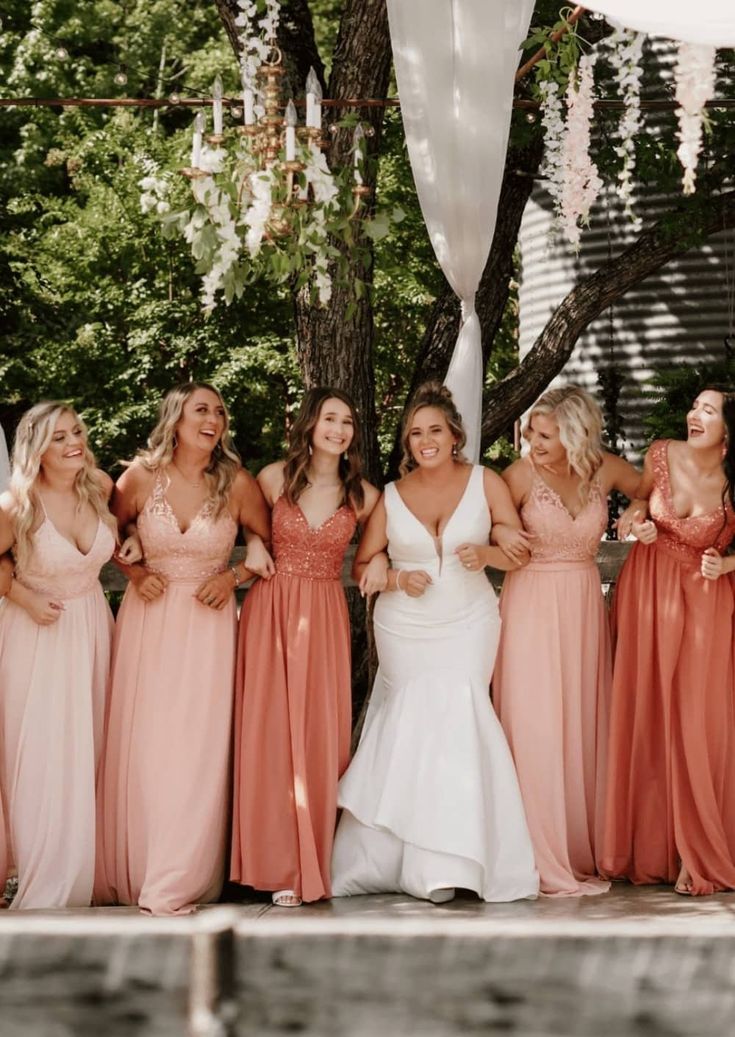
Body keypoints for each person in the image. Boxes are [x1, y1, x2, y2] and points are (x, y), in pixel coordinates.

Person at [331, 382, 539, 904]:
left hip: (469, 619)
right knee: (411, 726)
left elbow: (516, 551)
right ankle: (391, 863)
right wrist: (396, 578)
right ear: (408, 442)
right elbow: (364, 565)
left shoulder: (486, 482)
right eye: (416, 433)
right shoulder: (393, 495)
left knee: (460, 718)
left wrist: (486, 555)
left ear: (454, 436)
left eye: (434, 431)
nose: (425, 440)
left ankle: (454, 863)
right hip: (405, 626)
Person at [94, 382, 270, 915]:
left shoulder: (236, 483)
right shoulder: (141, 477)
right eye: (201, 410)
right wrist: (135, 569)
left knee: (196, 748)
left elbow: (269, 545)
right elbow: (107, 532)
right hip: (148, 621)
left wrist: (234, 574)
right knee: (146, 745)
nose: (213, 418)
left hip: (209, 626)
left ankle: (181, 872)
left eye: (219, 411)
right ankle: (138, 865)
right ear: (175, 418)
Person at [230, 387, 380, 908]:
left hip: (324, 617)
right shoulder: (272, 479)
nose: (339, 430)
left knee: (317, 737)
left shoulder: (365, 496)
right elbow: (242, 525)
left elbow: (375, 555)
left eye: (347, 421)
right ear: (311, 424)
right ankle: (267, 865)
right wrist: (252, 542)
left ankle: (308, 861)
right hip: (271, 614)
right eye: (330, 419)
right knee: (269, 734)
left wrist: (377, 564)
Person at [492, 386, 644, 897]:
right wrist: (501, 534)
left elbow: (651, 487)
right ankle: (533, 848)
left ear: (574, 434)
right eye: (532, 432)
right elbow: (485, 519)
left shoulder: (605, 469)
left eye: (545, 434)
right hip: (531, 605)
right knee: (536, 725)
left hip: (582, 606)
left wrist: (638, 511)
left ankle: (581, 846)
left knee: (580, 723)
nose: (533, 442)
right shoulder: (518, 476)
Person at [599, 388, 735, 896]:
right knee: (649, 712)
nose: (694, 416)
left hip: (705, 602)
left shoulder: (732, 480)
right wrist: (635, 525)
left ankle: (696, 849)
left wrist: (726, 562)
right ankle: (653, 847)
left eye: (709, 411)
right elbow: (634, 509)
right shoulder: (661, 453)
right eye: (695, 407)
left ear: (728, 430)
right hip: (648, 592)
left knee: (695, 720)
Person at [0, 402, 135, 909]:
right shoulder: (16, 505)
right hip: (35, 634)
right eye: (59, 437)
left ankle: (86, 872)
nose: (73, 442)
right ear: (36, 448)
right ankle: (43, 882)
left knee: (90, 752)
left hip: (92, 626)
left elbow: (130, 529)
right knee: (40, 758)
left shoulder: (98, 486)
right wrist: (24, 597)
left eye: (77, 430)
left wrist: (137, 544)